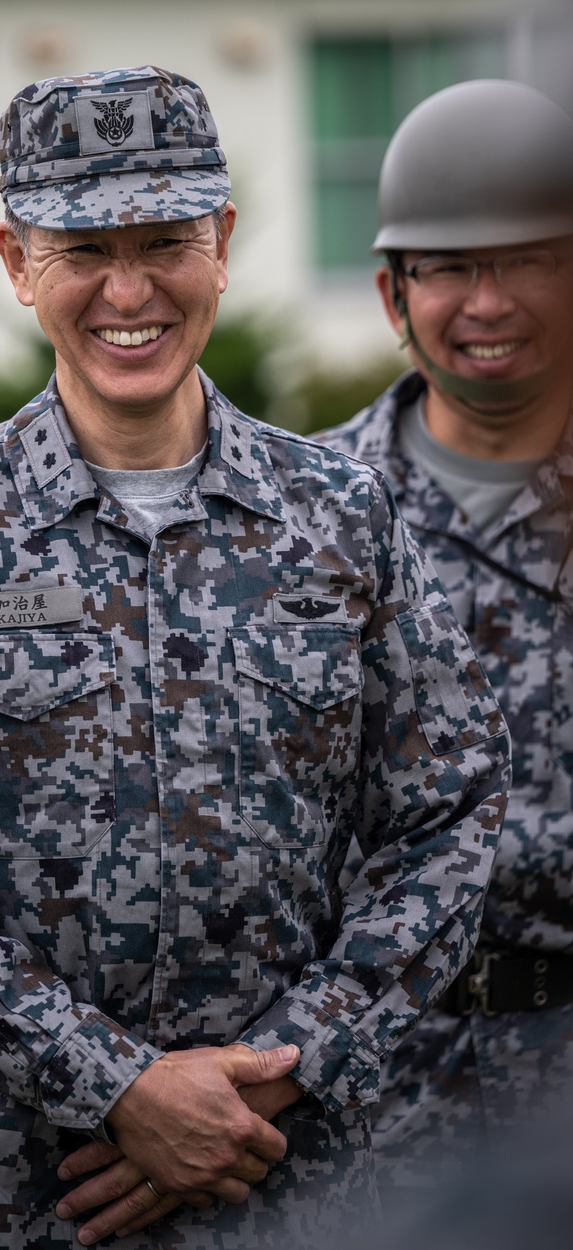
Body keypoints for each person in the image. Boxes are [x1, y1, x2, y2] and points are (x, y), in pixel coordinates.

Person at [0, 66, 508, 1249]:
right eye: (82, 246)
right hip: (23, 1189)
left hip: (283, 1179)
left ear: (225, 243)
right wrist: (121, 1089)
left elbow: (449, 813)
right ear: (13, 258)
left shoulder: (342, 514)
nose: (128, 288)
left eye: (165, 239)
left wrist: (276, 1073)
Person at [317, 78, 573, 1208]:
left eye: (528, 258)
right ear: (391, 293)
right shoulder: (300, 516)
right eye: (448, 267)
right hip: (372, 1098)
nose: (488, 300)